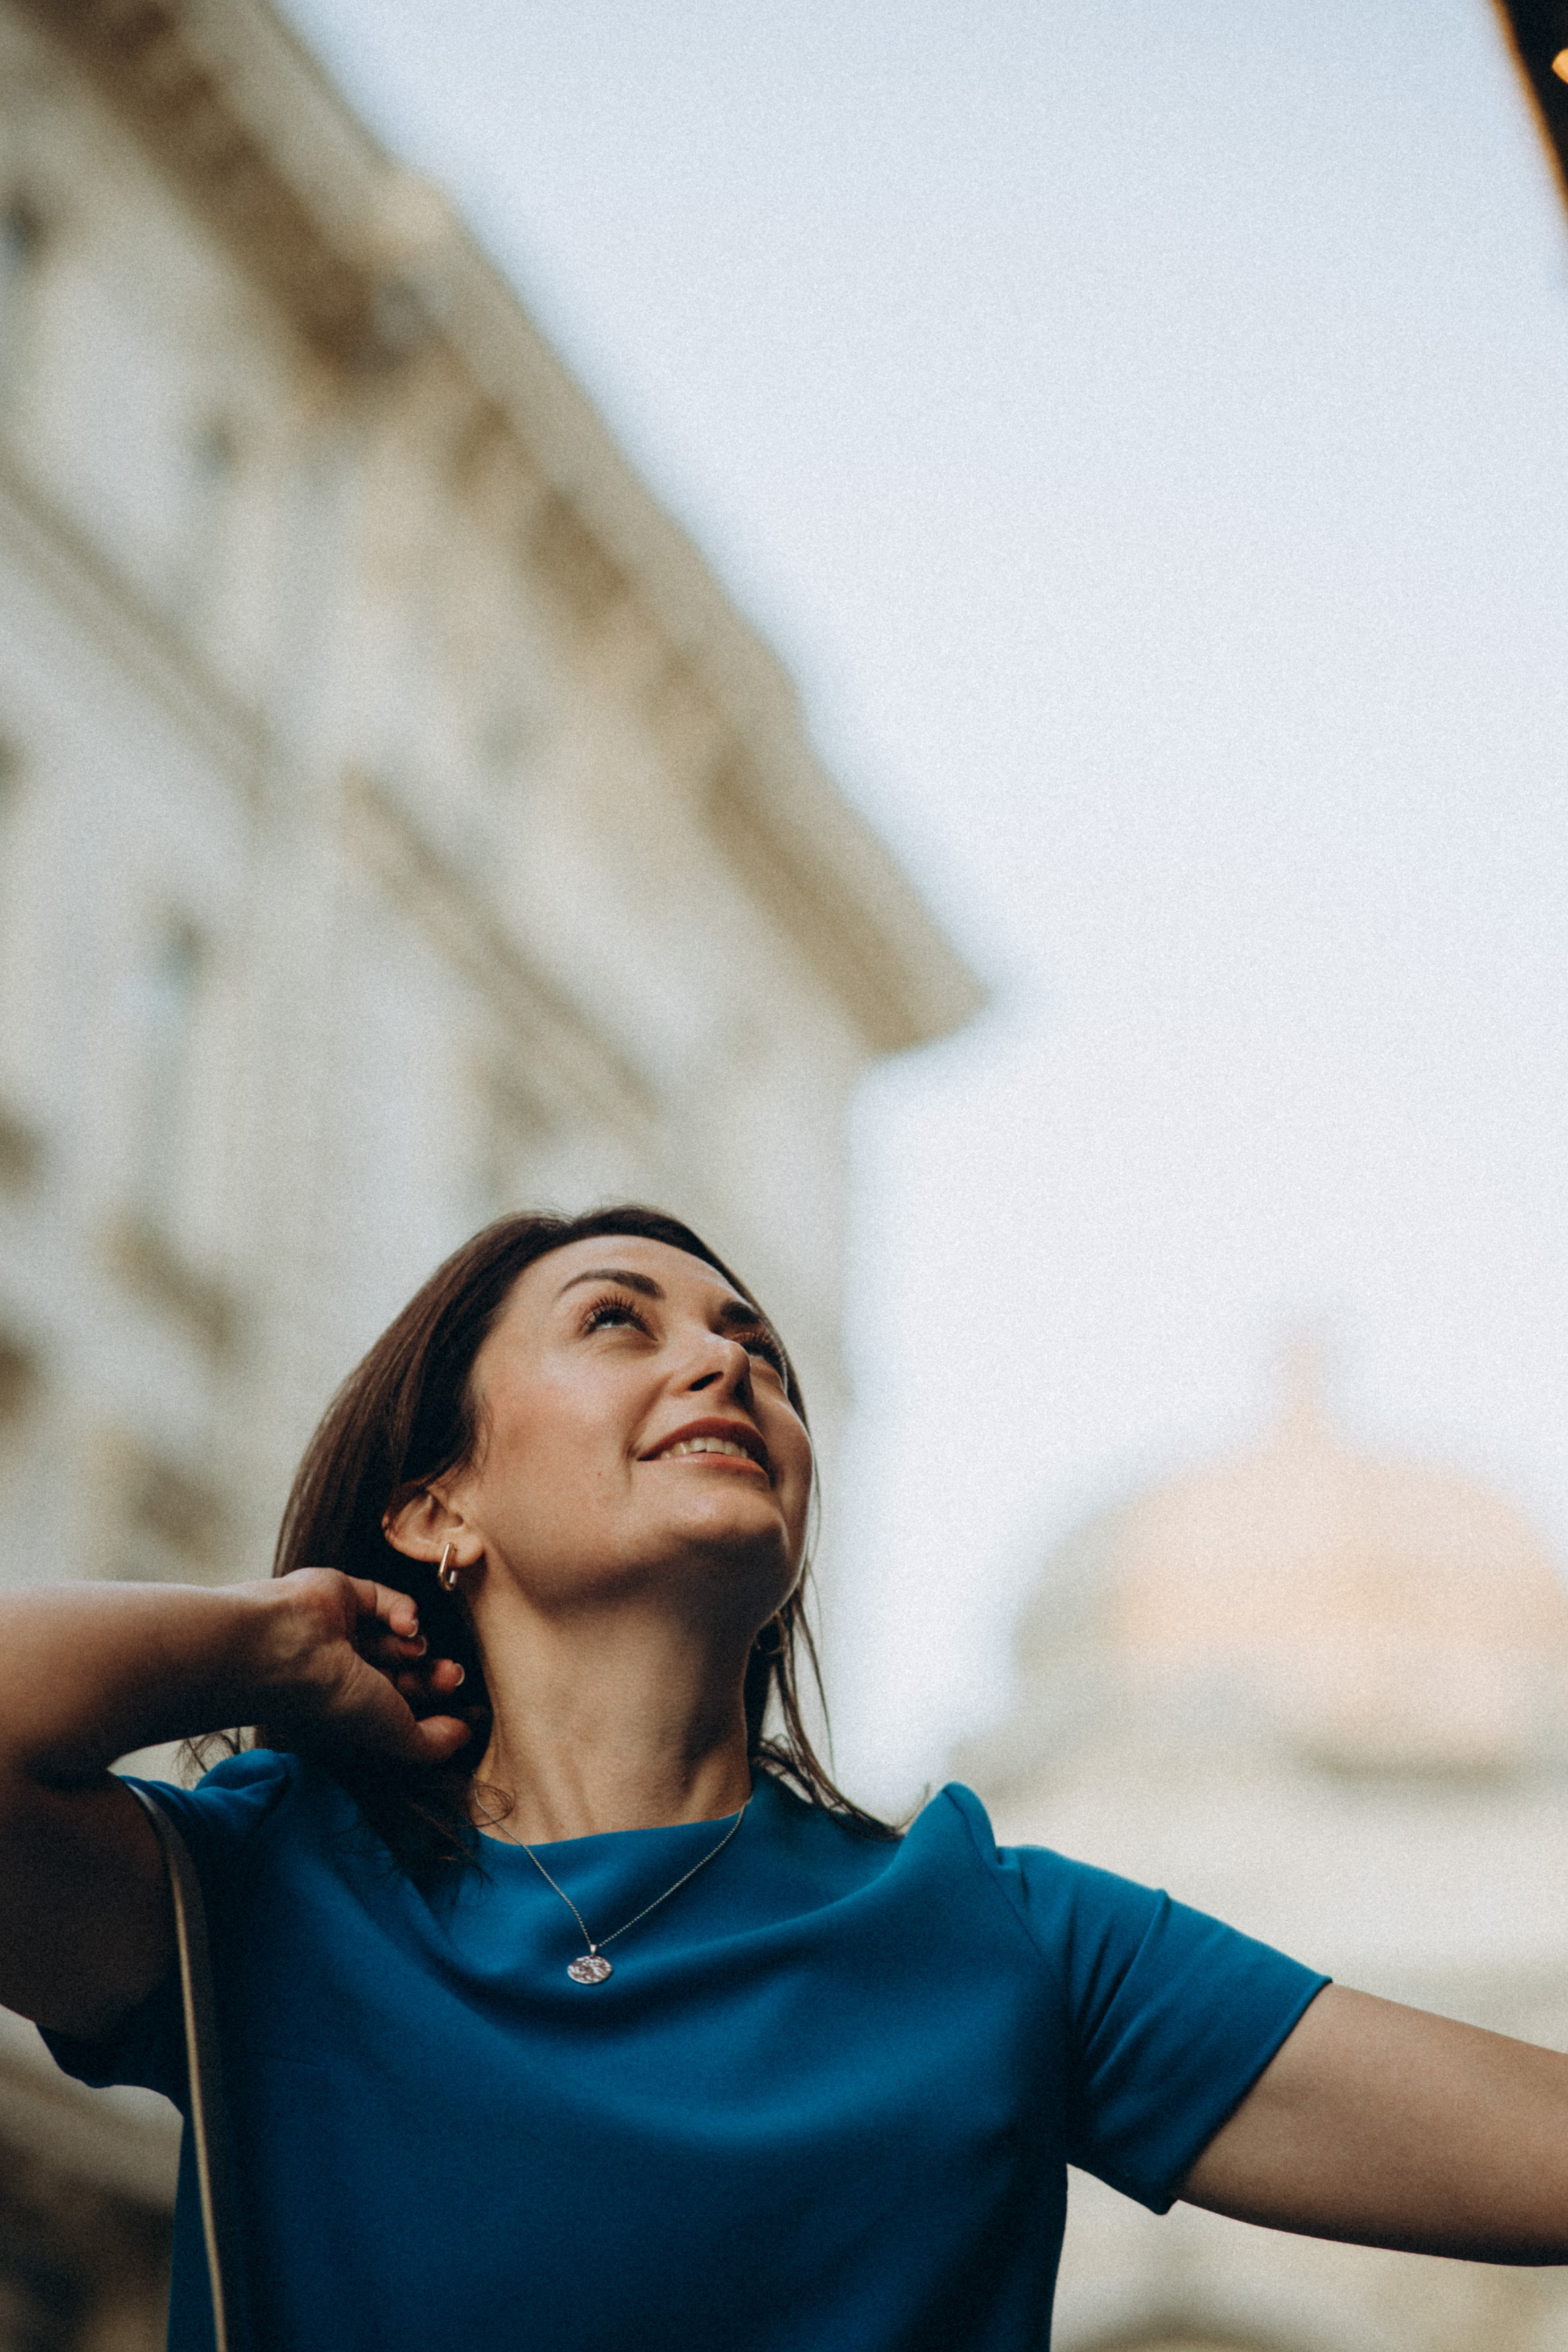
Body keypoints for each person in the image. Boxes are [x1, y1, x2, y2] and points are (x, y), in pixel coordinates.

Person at [1, 1204, 1566, 2352]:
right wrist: (253, 1645)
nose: (722, 1362)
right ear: (436, 1504)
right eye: (622, 1321)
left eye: (757, 1349)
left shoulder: (1006, 1939)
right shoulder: (254, 1894)